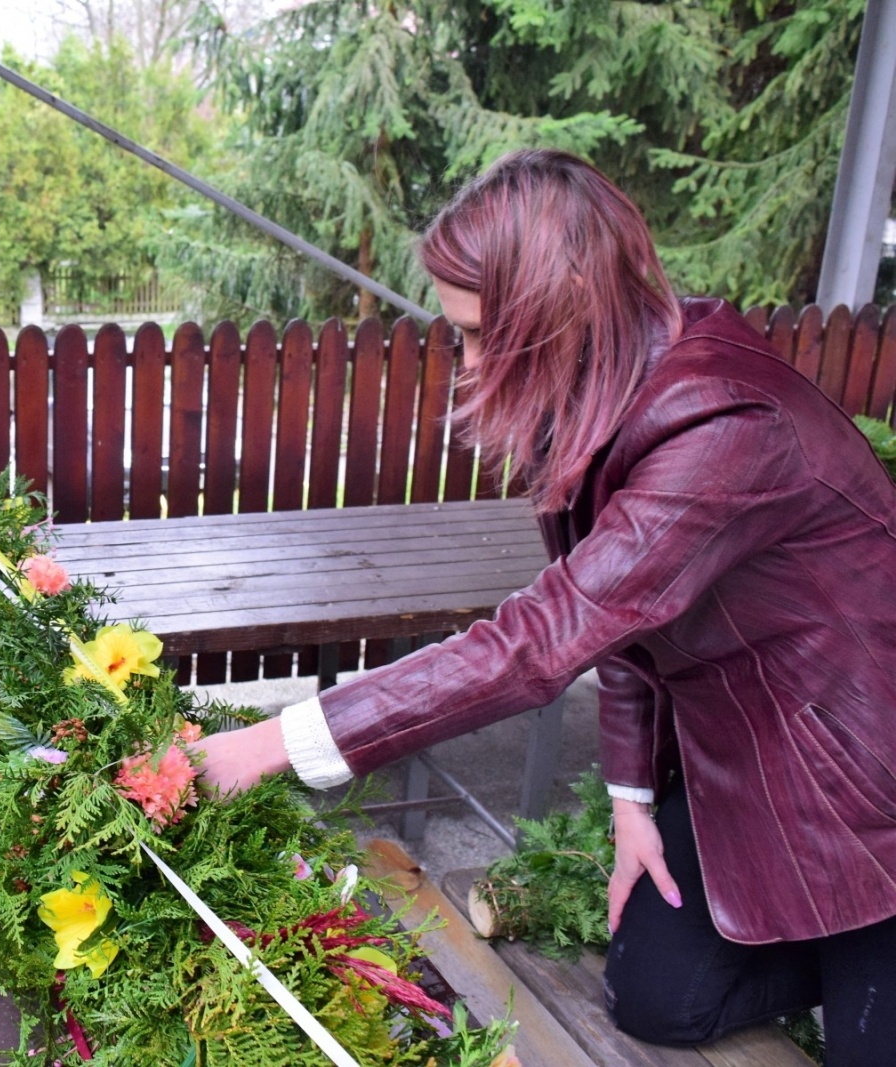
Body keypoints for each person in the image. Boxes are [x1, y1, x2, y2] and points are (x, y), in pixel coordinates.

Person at [194, 149, 896, 1064]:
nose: (469, 364)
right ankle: (826, 952)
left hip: (866, 771)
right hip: (746, 752)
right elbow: (626, 623)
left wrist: (265, 744)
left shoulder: (725, 427)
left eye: (483, 335)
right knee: (655, 999)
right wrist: (633, 802)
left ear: (561, 312)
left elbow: (539, 642)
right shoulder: (604, 390)